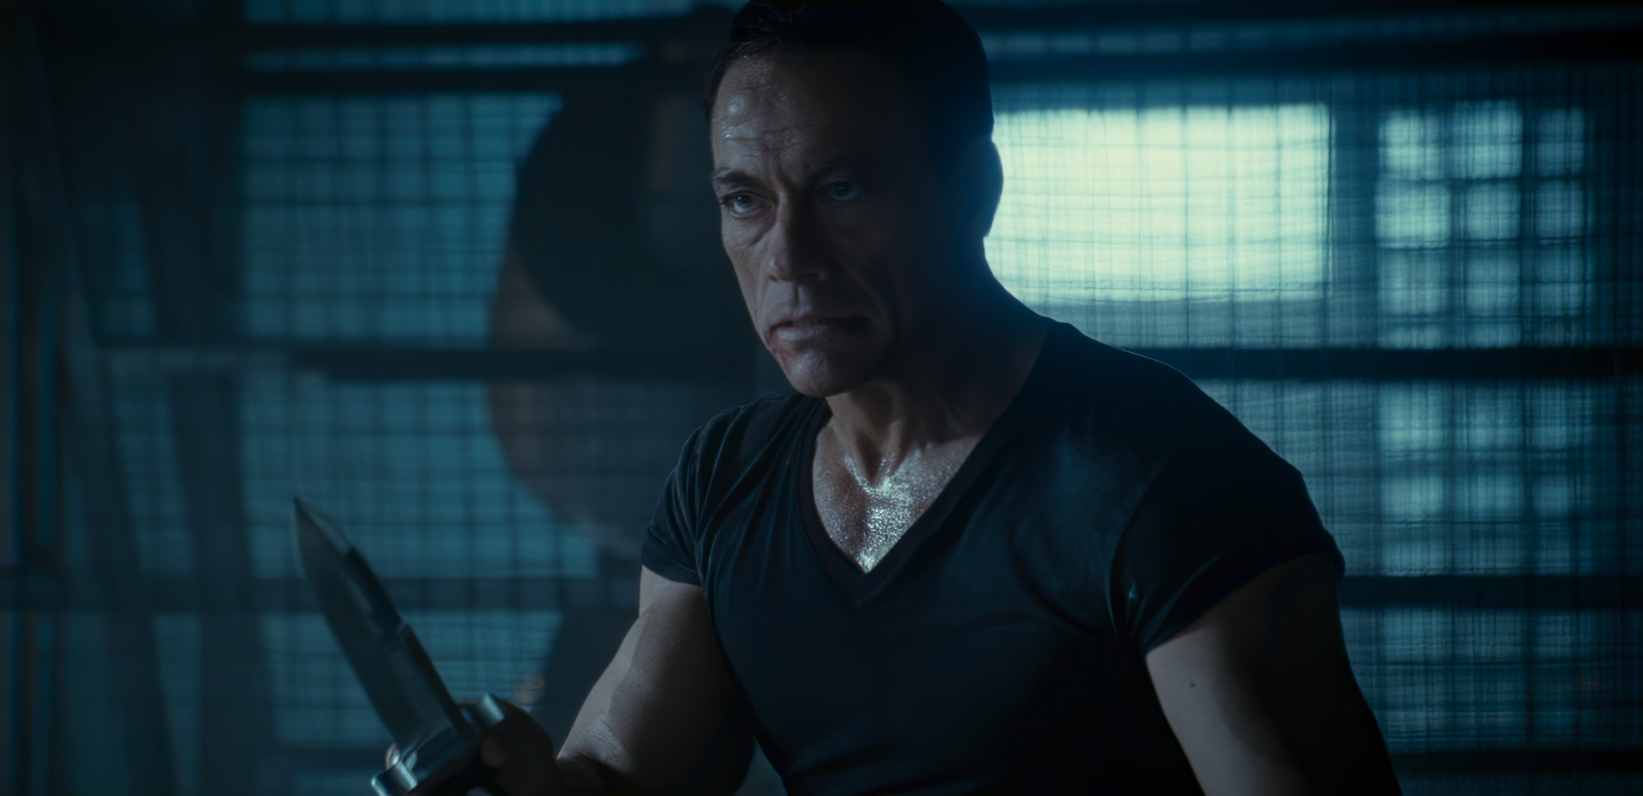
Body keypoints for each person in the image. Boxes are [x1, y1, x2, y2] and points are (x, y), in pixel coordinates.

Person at [430, 2, 1401, 793]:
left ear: (972, 192)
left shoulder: (1156, 473)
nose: (789, 258)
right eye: (745, 200)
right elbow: (623, 777)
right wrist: (519, 777)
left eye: (843, 189)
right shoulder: (727, 479)